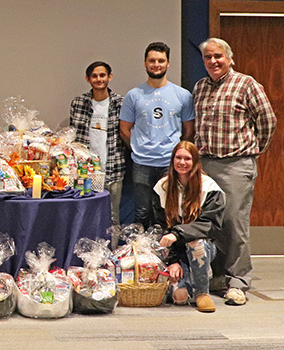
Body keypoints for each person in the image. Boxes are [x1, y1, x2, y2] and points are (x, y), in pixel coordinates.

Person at [192, 38, 277, 305]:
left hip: (236, 165)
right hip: (205, 165)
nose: (213, 61)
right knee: (211, 224)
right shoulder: (200, 86)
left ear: (229, 58)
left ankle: (238, 281)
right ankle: (218, 277)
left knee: (234, 225)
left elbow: (268, 121)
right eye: (208, 57)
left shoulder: (246, 84)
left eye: (218, 56)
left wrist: (253, 150)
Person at [119, 42, 195, 228]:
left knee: (168, 212)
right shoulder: (134, 95)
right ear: (145, 63)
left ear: (168, 63)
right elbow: (124, 130)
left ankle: (167, 254)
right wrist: (138, 148)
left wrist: (176, 154)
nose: (156, 64)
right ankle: (142, 255)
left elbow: (189, 131)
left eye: (161, 61)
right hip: (142, 164)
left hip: (170, 164)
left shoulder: (182, 95)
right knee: (142, 212)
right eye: (152, 60)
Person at [153, 141, 224, 313]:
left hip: (204, 247)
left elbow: (210, 225)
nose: (182, 162)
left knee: (196, 243)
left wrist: (177, 234)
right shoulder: (162, 187)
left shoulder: (210, 188)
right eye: (178, 158)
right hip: (175, 250)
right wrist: (173, 261)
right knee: (180, 298)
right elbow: (159, 227)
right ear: (172, 160)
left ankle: (202, 292)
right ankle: (192, 274)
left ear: (195, 162)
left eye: (187, 158)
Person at [70, 61, 125, 225]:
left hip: (113, 169)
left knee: (112, 216)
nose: (99, 79)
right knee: (83, 215)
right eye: (94, 76)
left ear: (110, 77)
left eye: (102, 75)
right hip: (84, 172)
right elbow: (73, 137)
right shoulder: (78, 103)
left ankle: (111, 249)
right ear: (88, 79)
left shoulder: (120, 103)